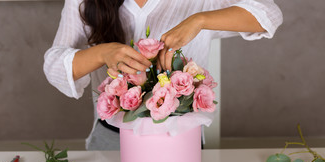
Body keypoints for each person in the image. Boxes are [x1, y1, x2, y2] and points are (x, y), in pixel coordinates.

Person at [44, 0, 283, 150]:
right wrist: (102, 53)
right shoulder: (82, 2)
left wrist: (199, 21)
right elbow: (53, 65)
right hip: (110, 140)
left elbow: (269, 14)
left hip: (179, 140)